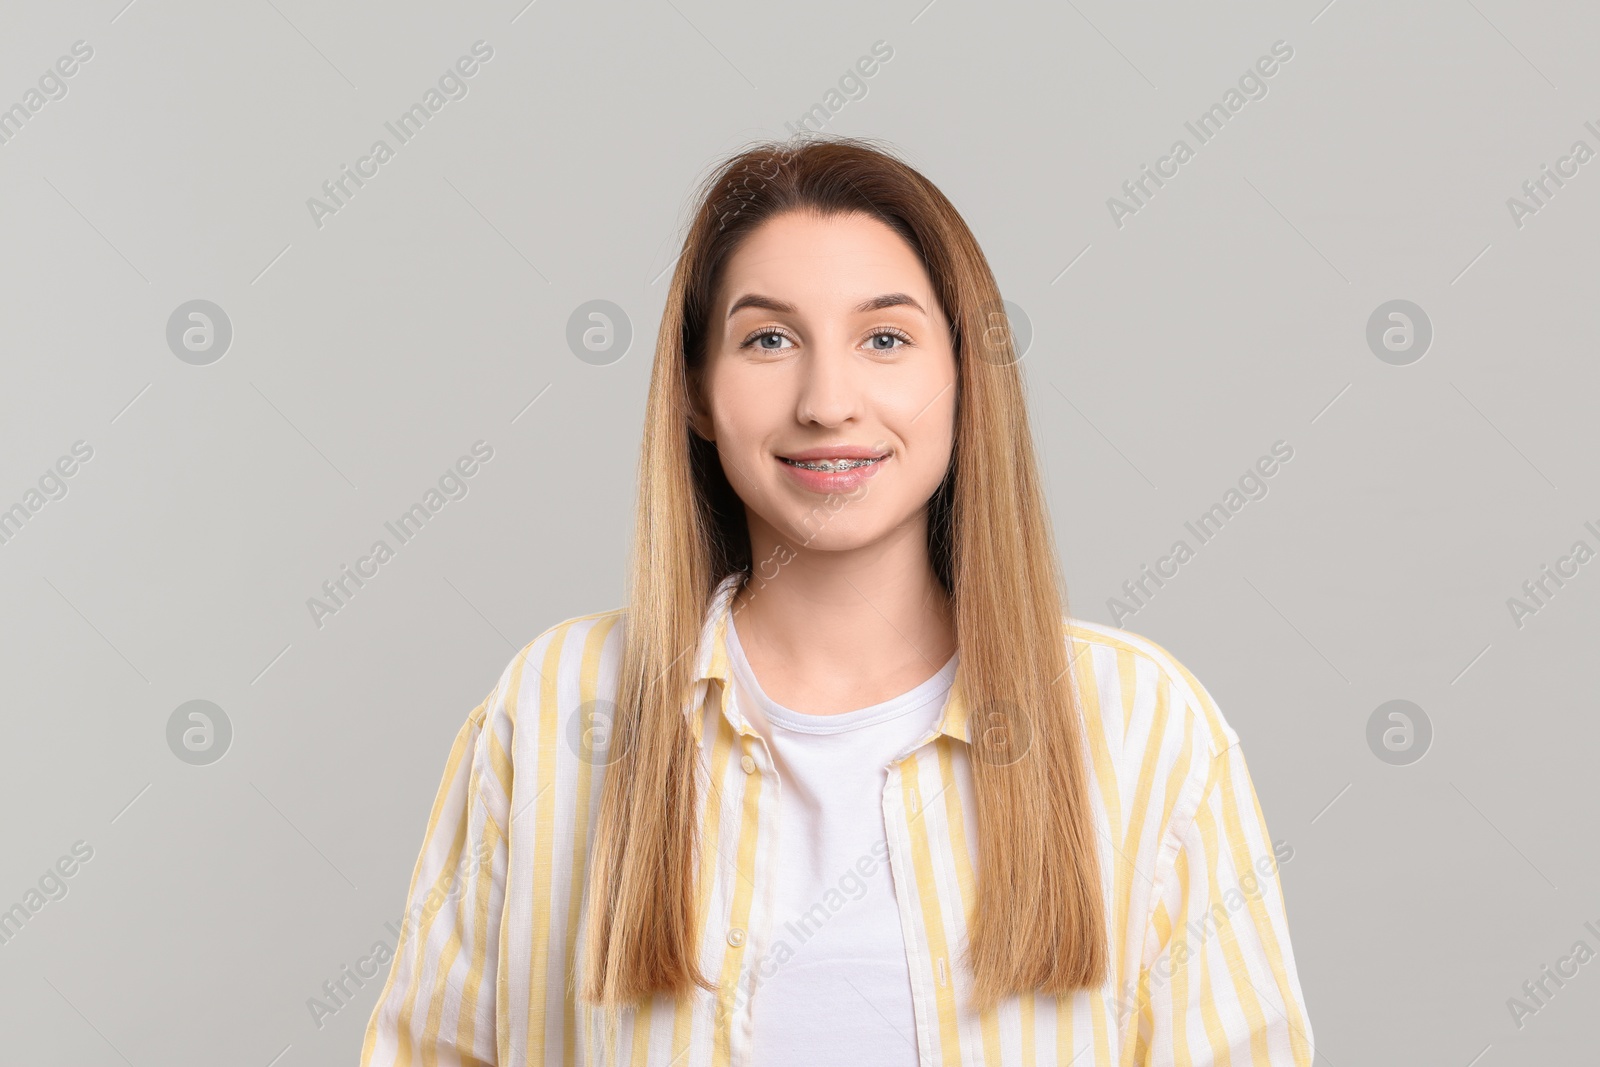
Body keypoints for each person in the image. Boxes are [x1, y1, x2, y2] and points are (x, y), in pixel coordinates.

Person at [359, 134, 1315, 1066]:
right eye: (768, 338)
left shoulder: (1140, 721)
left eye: (885, 338)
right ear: (696, 389)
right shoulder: (559, 705)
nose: (827, 400)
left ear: (962, 378)